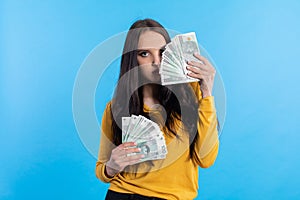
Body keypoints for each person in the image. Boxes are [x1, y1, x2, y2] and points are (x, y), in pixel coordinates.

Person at [95, 18, 219, 200]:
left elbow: (205, 159)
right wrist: (112, 166)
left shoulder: (190, 95)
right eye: (145, 54)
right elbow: (101, 169)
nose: (156, 61)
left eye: (162, 52)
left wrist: (207, 92)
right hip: (123, 194)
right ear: (133, 60)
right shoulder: (116, 107)